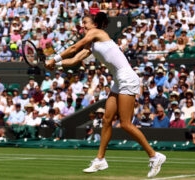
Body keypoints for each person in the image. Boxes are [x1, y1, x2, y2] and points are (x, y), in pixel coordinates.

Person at [45, 12, 166, 178]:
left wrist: (54, 58)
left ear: (95, 24)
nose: (83, 26)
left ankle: (155, 156)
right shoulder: (92, 44)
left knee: (125, 124)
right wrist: (55, 64)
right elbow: (73, 60)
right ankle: (100, 159)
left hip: (127, 79)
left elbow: (74, 48)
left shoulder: (96, 33)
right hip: (118, 81)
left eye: (85, 22)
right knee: (107, 119)